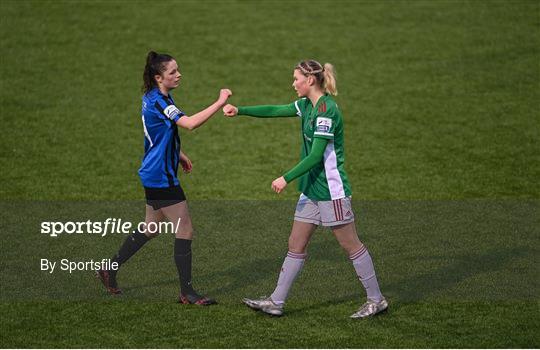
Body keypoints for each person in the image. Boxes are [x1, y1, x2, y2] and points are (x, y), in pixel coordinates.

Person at [223, 60, 387, 318]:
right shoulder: (307, 105)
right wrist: (240, 110)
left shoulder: (326, 111)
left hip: (331, 192)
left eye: (296, 78)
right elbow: (277, 110)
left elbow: (315, 156)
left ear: (310, 80)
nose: (293, 83)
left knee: (350, 245)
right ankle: (276, 301)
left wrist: (285, 178)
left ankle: (376, 300)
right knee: (295, 244)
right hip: (311, 189)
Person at [97, 51, 232, 305]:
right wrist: (219, 101)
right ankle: (187, 292)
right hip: (161, 177)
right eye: (172, 72)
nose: (178, 74)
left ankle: (109, 269)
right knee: (185, 229)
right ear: (159, 77)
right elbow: (189, 124)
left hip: (153, 171)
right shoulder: (160, 101)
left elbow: (158, 134)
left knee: (151, 227)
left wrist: (178, 153)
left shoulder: (152, 97)